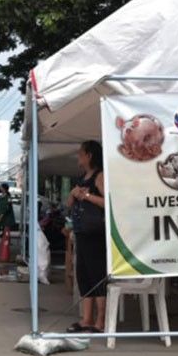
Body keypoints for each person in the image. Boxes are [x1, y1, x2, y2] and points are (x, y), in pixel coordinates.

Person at [66, 141, 106, 333]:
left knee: (96, 274)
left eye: (80, 153)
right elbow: (68, 203)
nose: (78, 157)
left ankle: (100, 321)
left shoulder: (99, 176)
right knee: (83, 275)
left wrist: (87, 196)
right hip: (81, 231)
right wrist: (74, 194)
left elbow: (108, 202)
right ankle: (86, 319)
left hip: (95, 233)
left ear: (89, 155)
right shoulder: (82, 178)